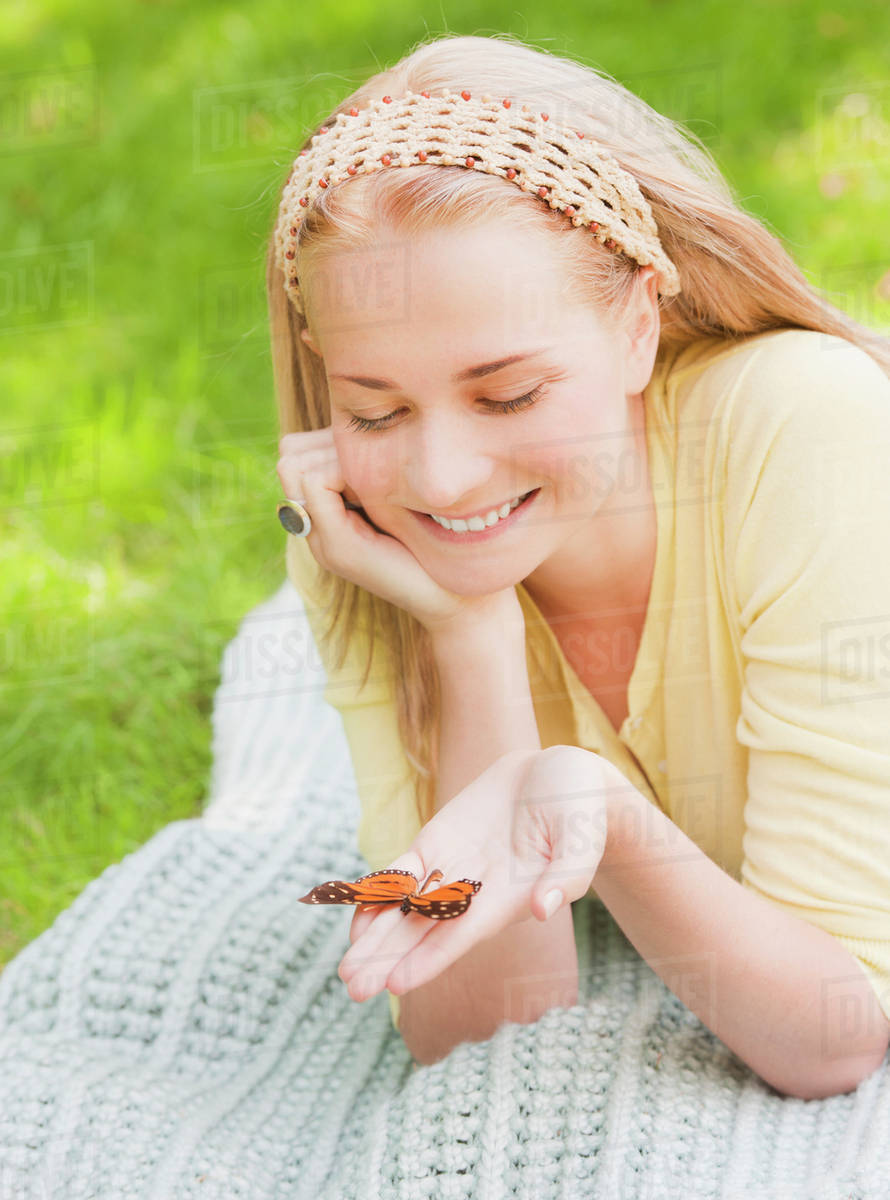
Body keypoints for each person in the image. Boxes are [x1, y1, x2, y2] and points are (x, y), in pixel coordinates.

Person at [269, 32, 890, 1098]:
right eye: (375, 409)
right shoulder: (362, 535)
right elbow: (481, 1035)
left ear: (639, 325)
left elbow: (831, 1036)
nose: (443, 477)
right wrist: (467, 634)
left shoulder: (806, 421)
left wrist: (602, 821)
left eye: (507, 395)